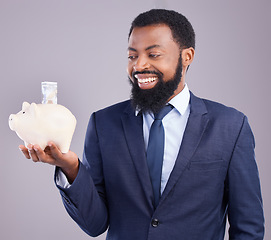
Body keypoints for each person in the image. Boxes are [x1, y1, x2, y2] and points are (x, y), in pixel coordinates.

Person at [19, 9, 264, 240]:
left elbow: (248, 227)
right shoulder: (104, 124)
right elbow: (94, 224)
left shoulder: (230, 126)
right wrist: (71, 168)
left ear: (186, 56)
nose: (139, 66)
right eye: (132, 56)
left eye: (153, 54)